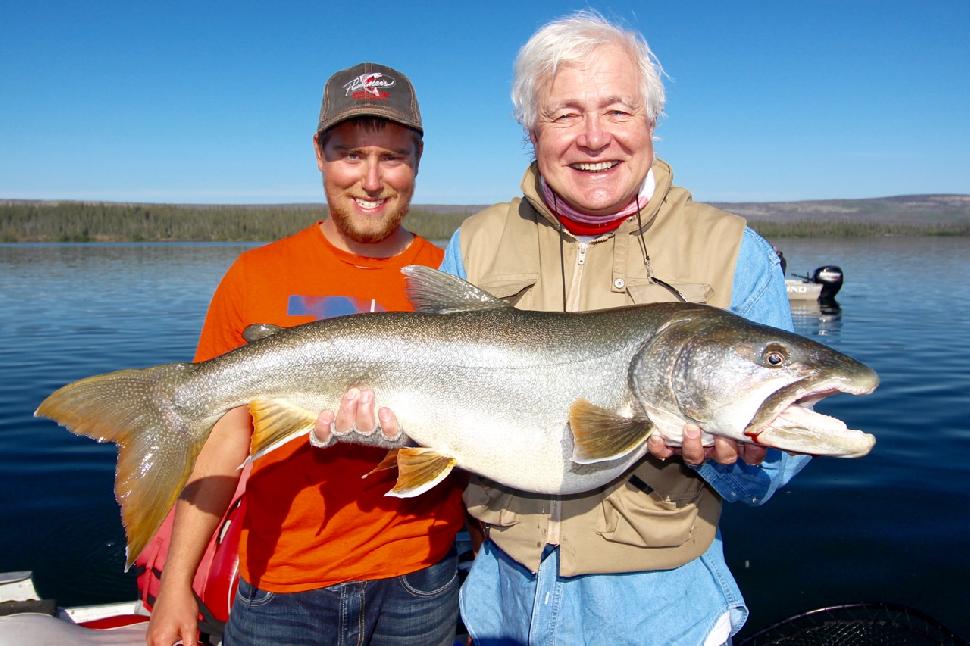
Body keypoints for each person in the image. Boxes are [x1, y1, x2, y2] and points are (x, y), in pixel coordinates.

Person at [319, 12, 812, 645]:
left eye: (617, 111)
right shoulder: (478, 241)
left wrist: (730, 460)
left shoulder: (734, 252)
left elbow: (774, 472)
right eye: (565, 114)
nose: (593, 137)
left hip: (658, 616)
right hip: (499, 602)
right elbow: (435, 399)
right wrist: (385, 426)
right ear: (532, 129)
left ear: (651, 121)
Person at [146, 62, 465, 646]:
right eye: (350, 154)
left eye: (392, 157)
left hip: (420, 579)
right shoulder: (254, 275)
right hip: (280, 586)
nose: (371, 180)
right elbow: (224, 438)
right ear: (318, 154)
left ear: (418, 160)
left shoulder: (450, 277)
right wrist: (176, 584)